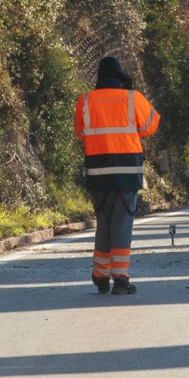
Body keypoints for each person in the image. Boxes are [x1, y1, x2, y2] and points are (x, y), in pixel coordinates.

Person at [74, 57, 160, 295]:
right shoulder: (133, 98)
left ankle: (100, 275)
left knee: (103, 223)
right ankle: (120, 279)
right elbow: (150, 126)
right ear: (121, 76)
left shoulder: (85, 100)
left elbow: (81, 131)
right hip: (127, 172)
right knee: (121, 224)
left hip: (98, 172)